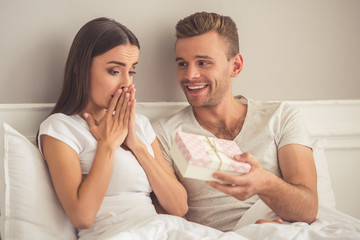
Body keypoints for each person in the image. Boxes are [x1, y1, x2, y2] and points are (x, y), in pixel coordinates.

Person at [153, 11, 318, 232]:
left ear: (236, 66)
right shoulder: (165, 133)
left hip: (284, 231)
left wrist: (264, 183)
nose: (189, 75)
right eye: (182, 64)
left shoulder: (280, 117)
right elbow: (165, 217)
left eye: (203, 63)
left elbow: (308, 209)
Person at [37, 17, 188, 238]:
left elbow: (179, 207)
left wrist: (136, 145)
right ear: (81, 68)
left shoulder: (140, 124)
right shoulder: (60, 129)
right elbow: (82, 216)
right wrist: (107, 144)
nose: (127, 83)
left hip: (161, 230)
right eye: (114, 71)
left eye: (132, 71)